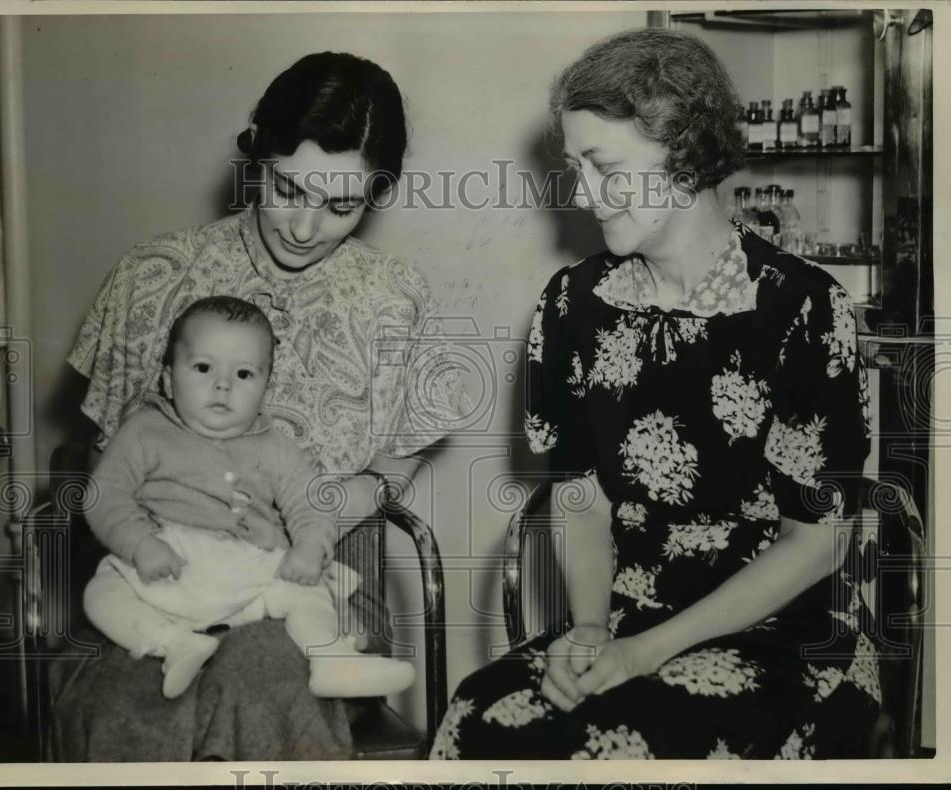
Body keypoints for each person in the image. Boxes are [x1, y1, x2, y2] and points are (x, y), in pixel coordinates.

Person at [432, 28, 878, 760]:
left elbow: (819, 541)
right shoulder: (572, 303)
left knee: (621, 747)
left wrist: (645, 654)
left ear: (685, 152)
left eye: (603, 166)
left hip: (784, 637)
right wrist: (588, 631)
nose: (581, 193)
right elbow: (582, 496)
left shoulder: (802, 308)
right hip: (622, 621)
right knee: (476, 715)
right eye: (575, 167)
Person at [51, 51, 466, 761]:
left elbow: (390, 472)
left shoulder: (395, 299)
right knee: (138, 695)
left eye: (341, 206)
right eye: (288, 188)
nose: (305, 227)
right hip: (157, 572)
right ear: (255, 151)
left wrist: (299, 527)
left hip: (310, 587)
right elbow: (103, 464)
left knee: (266, 672)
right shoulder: (154, 275)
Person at [82, 296, 414, 700]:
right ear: (169, 380)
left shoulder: (274, 445)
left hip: (246, 569)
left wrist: (310, 547)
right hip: (168, 564)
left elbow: (310, 503)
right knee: (101, 595)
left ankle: (331, 660)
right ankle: (174, 643)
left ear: (265, 389)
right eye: (203, 368)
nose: (223, 385)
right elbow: (104, 493)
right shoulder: (145, 432)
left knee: (307, 592)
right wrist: (138, 543)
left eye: (244, 374)